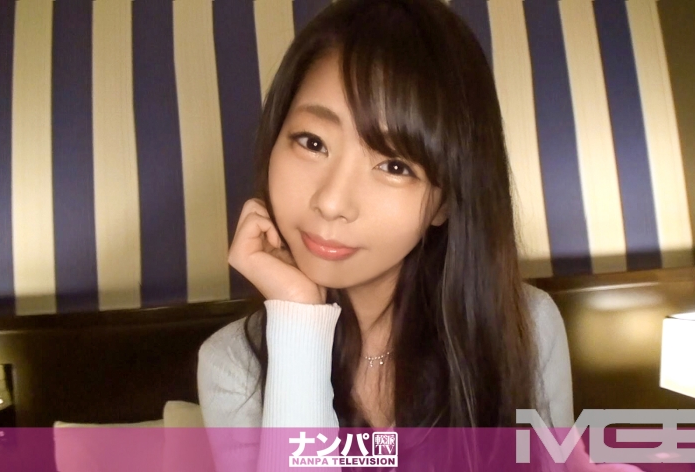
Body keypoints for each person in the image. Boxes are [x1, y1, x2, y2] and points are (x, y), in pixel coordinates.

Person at [198, 0, 573, 468]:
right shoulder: (235, 365)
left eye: (394, 166)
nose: (332, 202)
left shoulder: (525, 328)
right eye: (313, 142)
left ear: (446, 200)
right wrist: (298, 319)